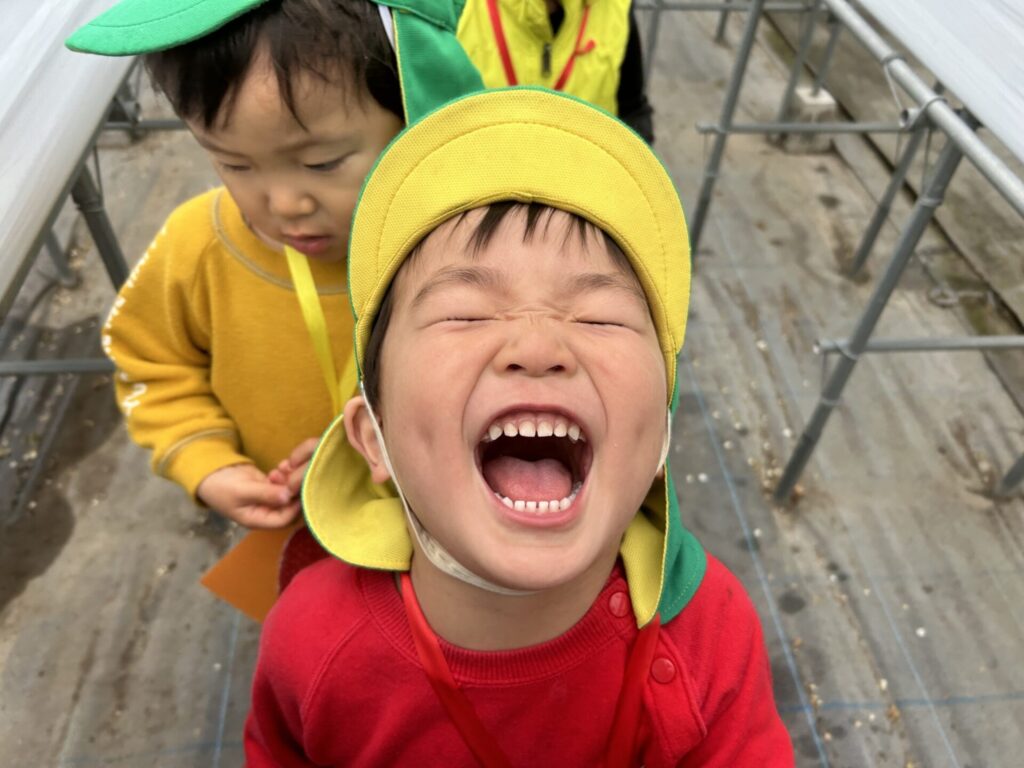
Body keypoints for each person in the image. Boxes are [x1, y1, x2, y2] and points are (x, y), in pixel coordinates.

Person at [245, 87, 793, 765]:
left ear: (661, 436)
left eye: (600, 317)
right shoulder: (309, 641)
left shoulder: (710, 636)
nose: (538, 346)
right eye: (466, 313)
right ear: (371, 438)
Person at [65, 0, 482, 620]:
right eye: (233, 162)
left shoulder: (471, 257)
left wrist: (392, 460)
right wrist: (206, 462)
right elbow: (150, 363)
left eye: (321, 163)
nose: (284, 203)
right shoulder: (197, 248)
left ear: (416, 114)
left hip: (440, 538)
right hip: (290, 527)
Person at [457, 0, 655, 141]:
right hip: (482, 183)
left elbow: (632, 110)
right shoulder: (456, 9)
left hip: (583, 183)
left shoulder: (615, 7)